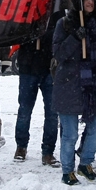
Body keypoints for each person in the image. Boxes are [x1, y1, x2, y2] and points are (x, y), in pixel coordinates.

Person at [52, 0, 96, 185]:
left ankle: (86, 163)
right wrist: (75, 38)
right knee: (69, 133)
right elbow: (59, 54)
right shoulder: (65, 23)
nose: (89, 2)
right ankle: (67, 170)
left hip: (92, 84)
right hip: (69, 84)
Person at [14, 11, 63, 165]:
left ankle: (48, 151)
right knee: (24, 110)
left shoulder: (57, 10)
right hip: (28, 68)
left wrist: (46, 34)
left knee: (52, 113)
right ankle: (21, 146)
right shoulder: (28, 6)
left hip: (50, 69)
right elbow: (16, 33)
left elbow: (60, 35)